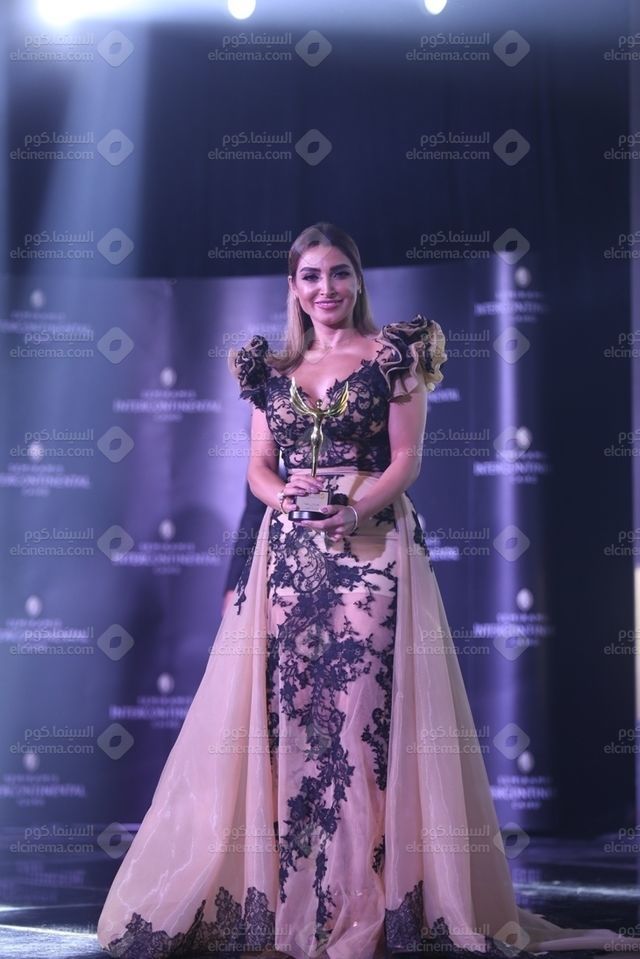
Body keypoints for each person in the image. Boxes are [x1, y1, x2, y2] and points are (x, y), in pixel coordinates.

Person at [96, 223, 640, 959]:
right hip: (289, 557)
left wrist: (353, 510)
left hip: (372, 549)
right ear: (293, 287)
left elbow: (407, 458)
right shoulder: (270, 368)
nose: (327, 288)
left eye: (339, 273)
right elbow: (257, 466)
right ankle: (295, 902)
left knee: (361, 721)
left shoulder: (394, 357)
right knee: (292, 722)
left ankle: (366, 901)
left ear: (357, 279)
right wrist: (285, 501)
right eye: (311, 276)